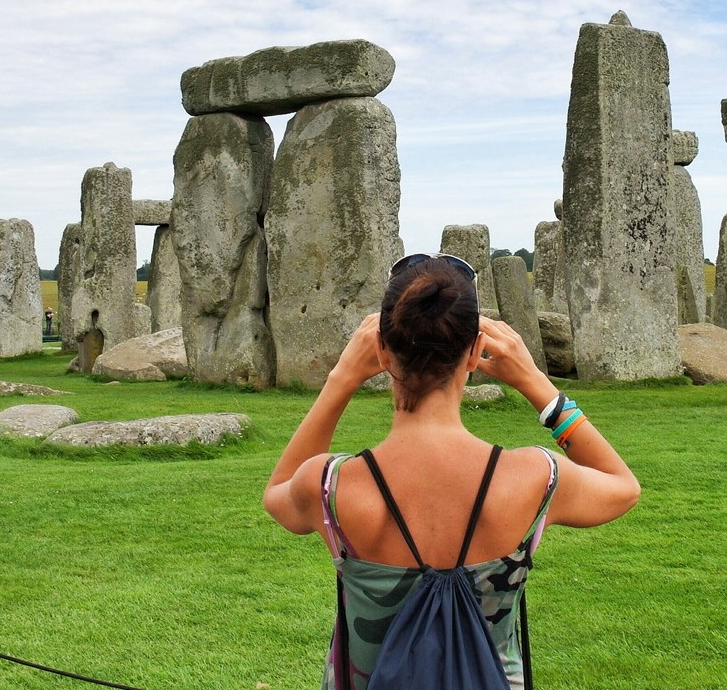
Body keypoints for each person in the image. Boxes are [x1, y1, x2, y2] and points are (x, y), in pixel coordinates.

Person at [263, 254, 640, 689]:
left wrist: (341, 379)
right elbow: (623, 487)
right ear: (475, 352)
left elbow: (278, 490)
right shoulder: (536, 476)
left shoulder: (330, 485)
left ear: (382, 350)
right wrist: (537, 384)